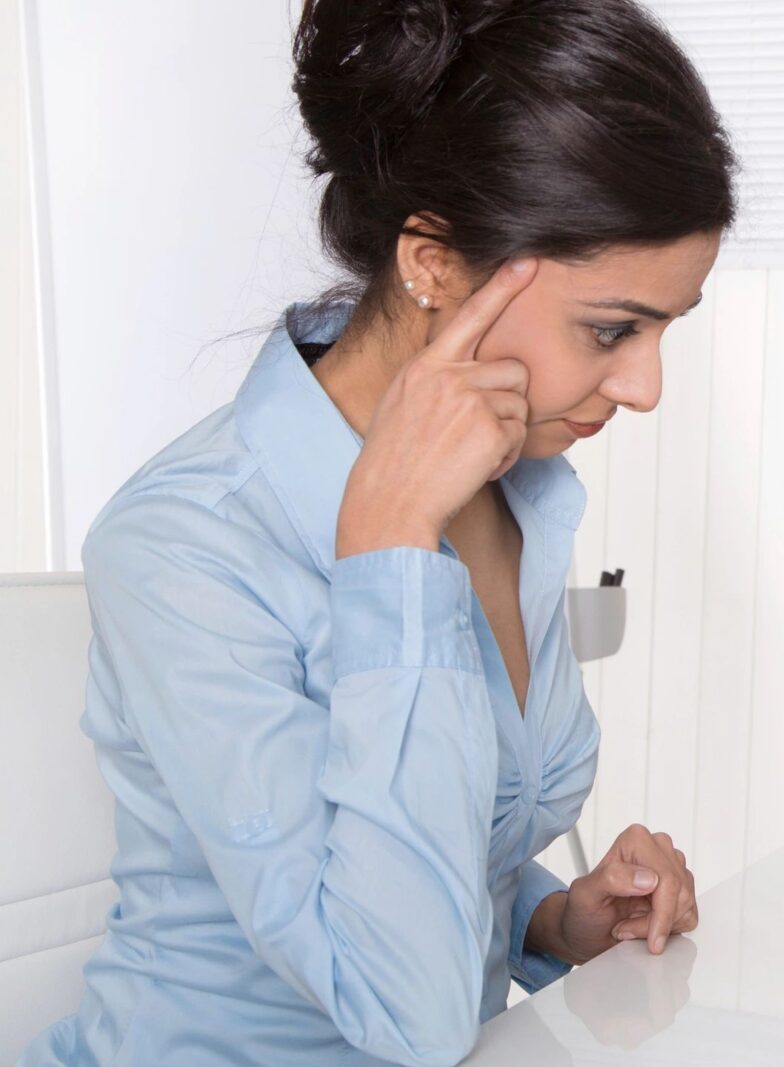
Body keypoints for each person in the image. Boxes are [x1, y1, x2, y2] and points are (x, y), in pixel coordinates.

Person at [22, 1, 734, 1064]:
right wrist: (389, 539)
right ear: (435, 263)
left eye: (666, 327)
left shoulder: (519, 490)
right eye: (611, 329)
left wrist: (552, 920)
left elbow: (416, 846)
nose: (645, 385)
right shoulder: (184, 545)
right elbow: (405, 1008)